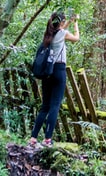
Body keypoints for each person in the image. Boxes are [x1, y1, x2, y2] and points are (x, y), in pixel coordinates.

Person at [29, 10, 79, 147]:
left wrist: (68, 21)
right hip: (59, 70)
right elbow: (76, 38)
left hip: (47, 71)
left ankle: (33, 138)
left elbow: (60, 29)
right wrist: (75, 24)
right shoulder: (62, 34)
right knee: (55, 105)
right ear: (61, 23)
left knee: (45, 106)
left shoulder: (48, 35)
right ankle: (47, 139)